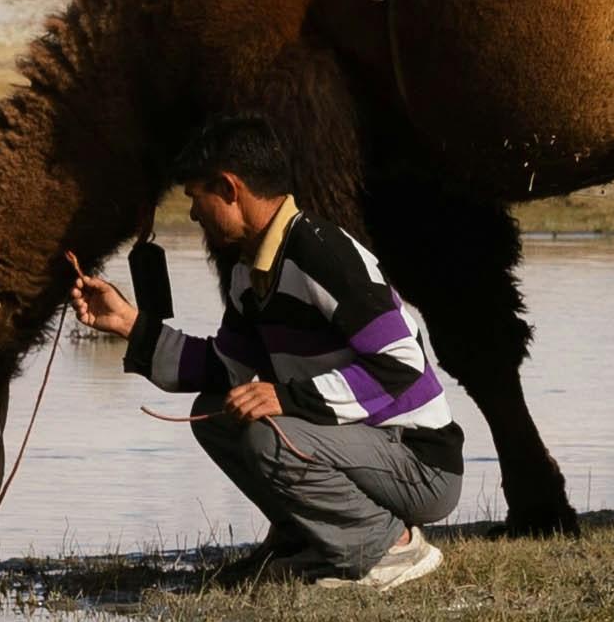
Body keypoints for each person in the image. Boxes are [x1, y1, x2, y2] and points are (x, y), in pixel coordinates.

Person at [65, 114, 462, 588]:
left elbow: (401, 365)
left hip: (421, 465)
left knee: (268, 435)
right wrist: (130, 323)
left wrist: (288, 399)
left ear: (230, 190)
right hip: (364, 452)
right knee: (215, 414)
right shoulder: (249, 273)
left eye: (196, 197)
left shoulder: (320, 254)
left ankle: (389, 548)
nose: (193, 214)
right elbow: (223, 370)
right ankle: (305, 539)